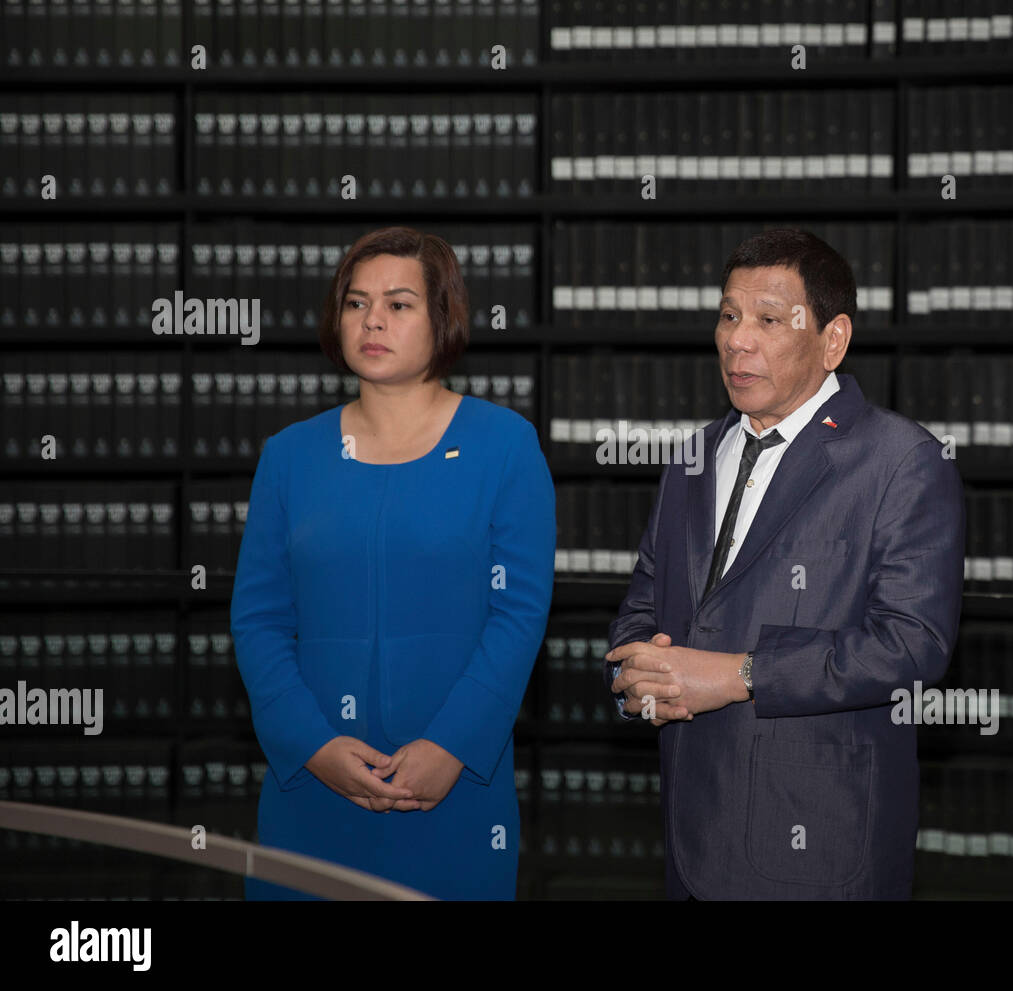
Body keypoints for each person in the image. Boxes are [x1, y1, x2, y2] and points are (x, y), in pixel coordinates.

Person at [605, 228, 965, 899]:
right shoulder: (693, 456)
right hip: (690, 834)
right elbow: (644, 605)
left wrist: (742, 673)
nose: (738, 340)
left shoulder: (900, 460)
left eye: (769, 320)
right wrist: (641, 673)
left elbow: (913, 645)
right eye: (729, 315)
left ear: (833, 340)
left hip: (819, 844)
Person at [231, 226, 554, 899]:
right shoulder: (289, 456)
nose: (372, 319)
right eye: (356, 302)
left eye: (399, 303)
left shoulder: (505, 446)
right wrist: (313, 746)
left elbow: (518, 616)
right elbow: (258, 619)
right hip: (312, 791)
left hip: (453, 791)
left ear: (443, 318)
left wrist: (451, 747)